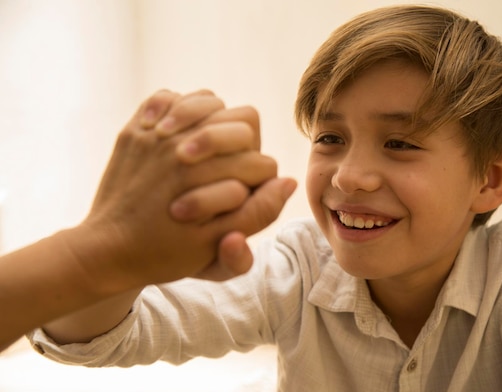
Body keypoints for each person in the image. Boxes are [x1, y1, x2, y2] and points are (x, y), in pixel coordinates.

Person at [27, 5, 502, 392]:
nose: (349, 175)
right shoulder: (298, 264)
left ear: (491, 178)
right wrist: (120, 250)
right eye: (330, 137)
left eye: (400, 144)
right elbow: (100, 338)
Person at [0, 89, 297, 352]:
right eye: (330, 138)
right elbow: (87, 337)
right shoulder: (293, 272)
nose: (345, 177)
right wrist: (109, 251)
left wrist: (100, 251)